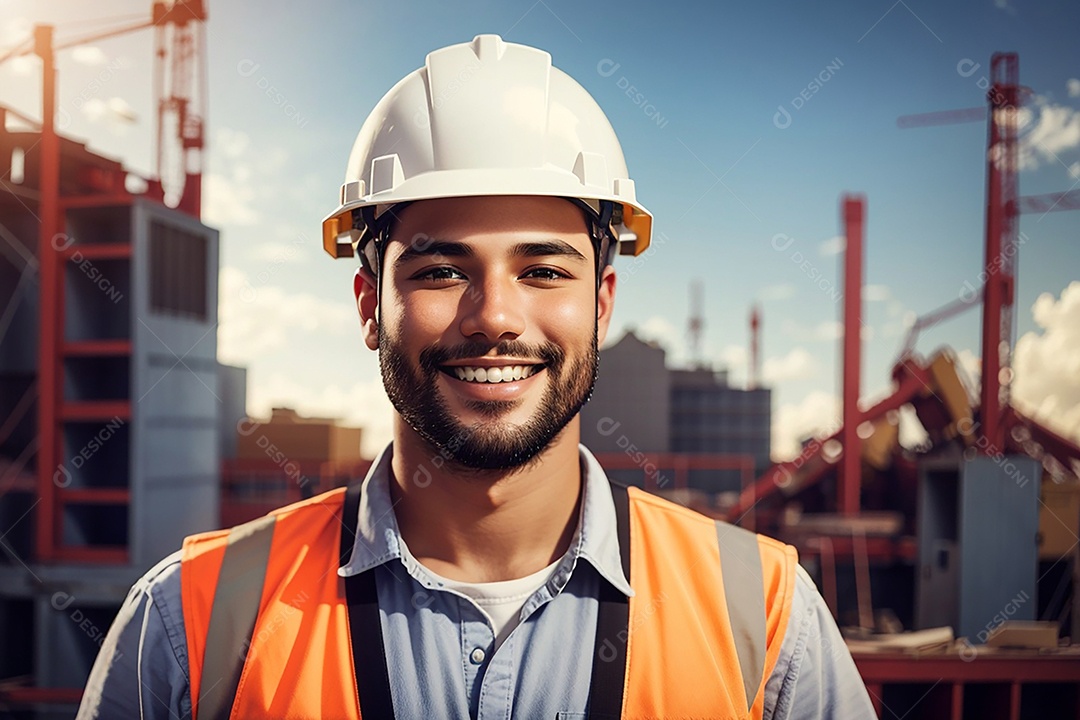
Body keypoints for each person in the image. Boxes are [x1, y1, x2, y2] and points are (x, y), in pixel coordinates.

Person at [79, 34, 876, 719]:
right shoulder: (192, 620)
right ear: (369, 304)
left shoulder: (763, 620)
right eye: (439, 270)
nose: (494, 316)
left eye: (542, 270)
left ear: (602, 305)